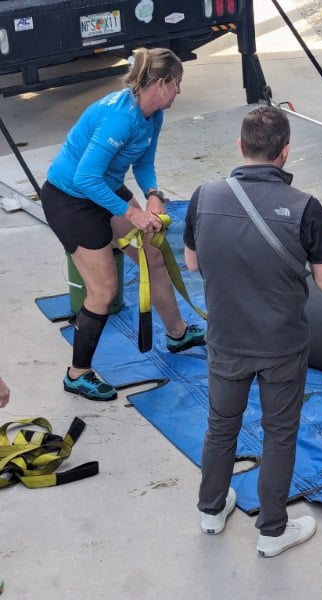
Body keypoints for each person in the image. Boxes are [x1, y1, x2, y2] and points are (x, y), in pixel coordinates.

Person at [183, 106, 322, 558]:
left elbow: (192, 263)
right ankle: (273, 532)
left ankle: (211, 511)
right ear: (285, 153)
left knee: (220, 428)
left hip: (226, 340)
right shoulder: (305, 208)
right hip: (281, 346)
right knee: (279, 433)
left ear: (240, 146)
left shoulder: (204, 194)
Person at [40, 47, 205, 403]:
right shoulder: (120, 118)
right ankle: (77, 374)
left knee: (152, 252)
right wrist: (131, 213)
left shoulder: (153, 113)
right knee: (104, 289)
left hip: (104, 187)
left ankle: (177, 333)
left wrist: (153, 195)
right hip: (71, 198)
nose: (179, 91)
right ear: (160, 83)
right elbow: (85, 177)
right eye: (176, 84)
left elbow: (144, 161)